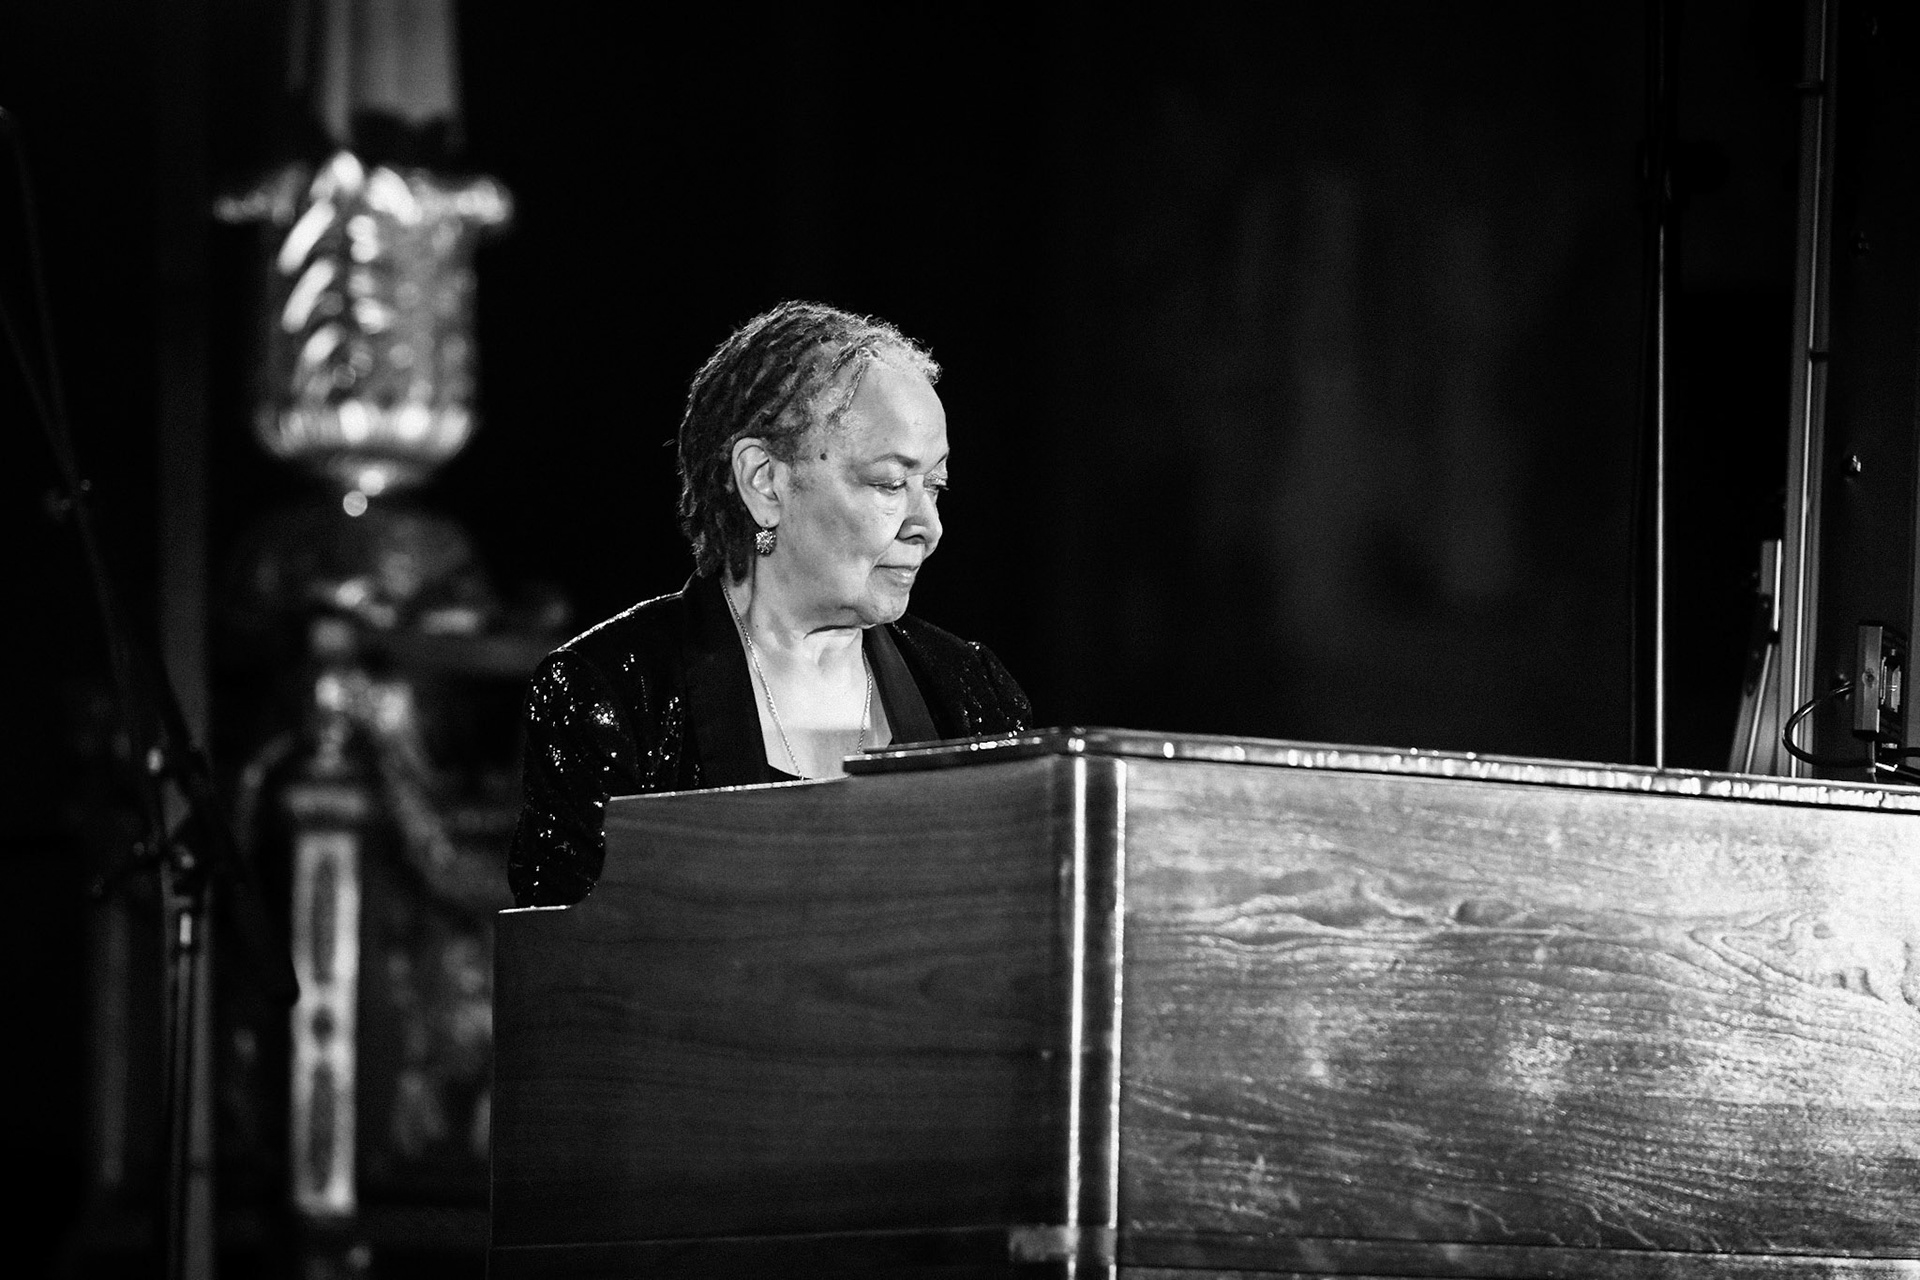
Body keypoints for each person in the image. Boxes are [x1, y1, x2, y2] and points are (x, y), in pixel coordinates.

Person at [508, 301, 1032, 906]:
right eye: (890, 484)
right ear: (765, 482)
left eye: (934, 487)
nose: (928, 526)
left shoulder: (973, 691)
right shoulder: (612, 694)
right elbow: (567, 977)